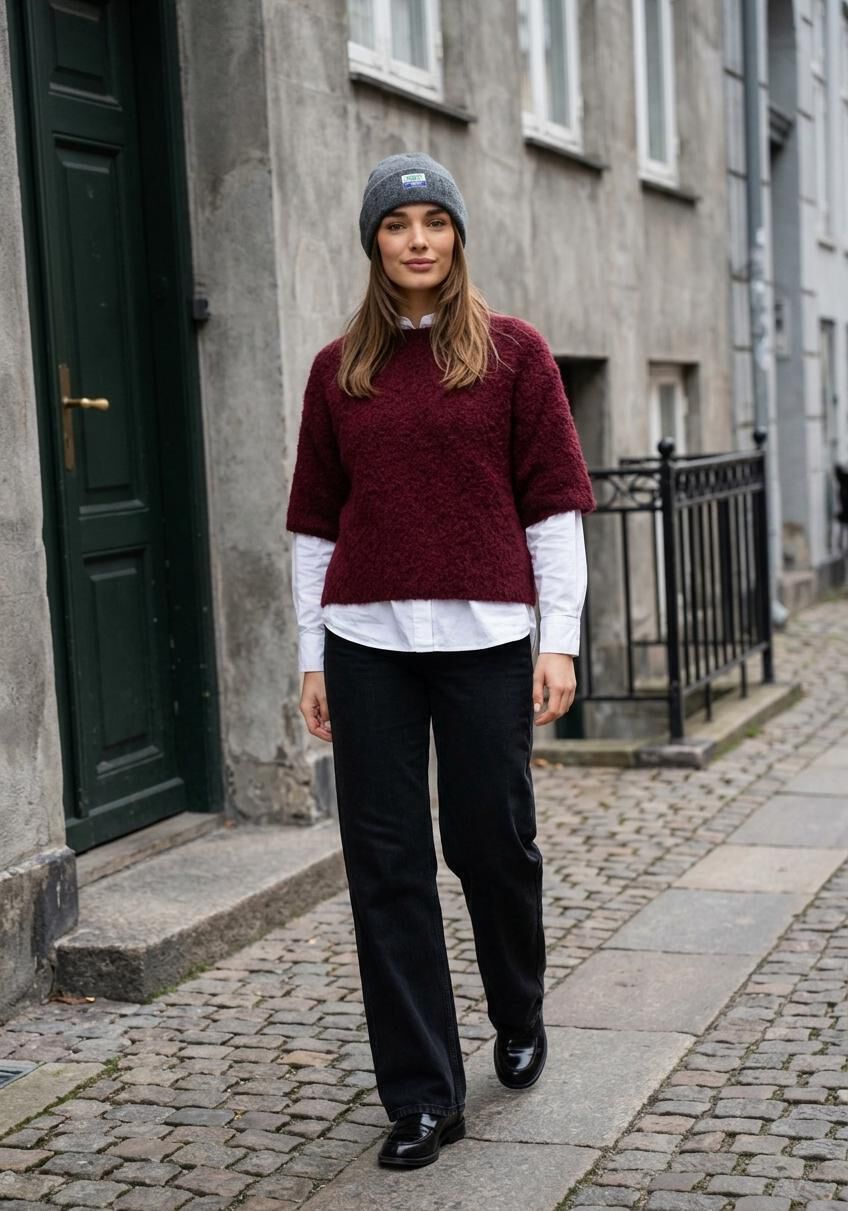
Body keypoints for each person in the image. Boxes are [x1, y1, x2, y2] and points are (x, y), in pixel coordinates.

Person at [285, 151, 596, 1169]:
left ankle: (518, 1003)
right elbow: (314, 524)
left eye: (433, 221)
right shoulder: (339, 370)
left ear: (457, 236)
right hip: (366, 644)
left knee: (490, 842)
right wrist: (312, 653)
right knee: (385, 866)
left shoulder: (515, 355)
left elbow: (553, 506)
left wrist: (559, 638)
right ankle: (423, 1095)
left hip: (487, 640)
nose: (416, 239)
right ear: (373, 243)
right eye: (395, 224)